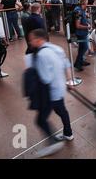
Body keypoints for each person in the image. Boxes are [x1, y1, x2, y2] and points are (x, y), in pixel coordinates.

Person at [25, 29, 74, 158]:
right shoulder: (57, 49)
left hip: (50, 93)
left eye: (32, 39)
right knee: (61, 110)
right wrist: (69, 81)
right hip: (60, 88)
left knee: (41, 120)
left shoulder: (41, 55)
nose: (30, 42)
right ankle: (68, 133)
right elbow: (66, 64)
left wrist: (32, 72)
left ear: (40, 39)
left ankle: (53, 143)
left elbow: (46, 78)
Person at [74, 0, 91, 72]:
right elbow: (77, 25)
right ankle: (78, 64)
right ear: (84, 3)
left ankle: (81, 61)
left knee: (82, 48)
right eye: (87, 2)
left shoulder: (81, 10)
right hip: (81, 33)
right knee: (84, 47)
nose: (87, 3)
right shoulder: (78, 11)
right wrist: (87, 26)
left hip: (83, 32)